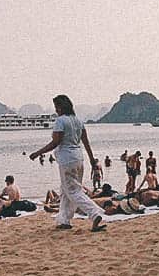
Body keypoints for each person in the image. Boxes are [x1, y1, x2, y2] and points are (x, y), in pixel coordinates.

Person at [28, 94, 105, 232]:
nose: (56, 110)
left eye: (56, 107)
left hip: (66, 160)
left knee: (74, 191)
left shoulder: (60, 121)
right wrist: (92, 160)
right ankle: (64, 220)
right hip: (79, 159)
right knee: (65, 191)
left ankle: (95, 213)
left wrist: (37, 153)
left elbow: (55, 142)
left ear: (61, 107)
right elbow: (86, 143)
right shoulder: (78, 121)